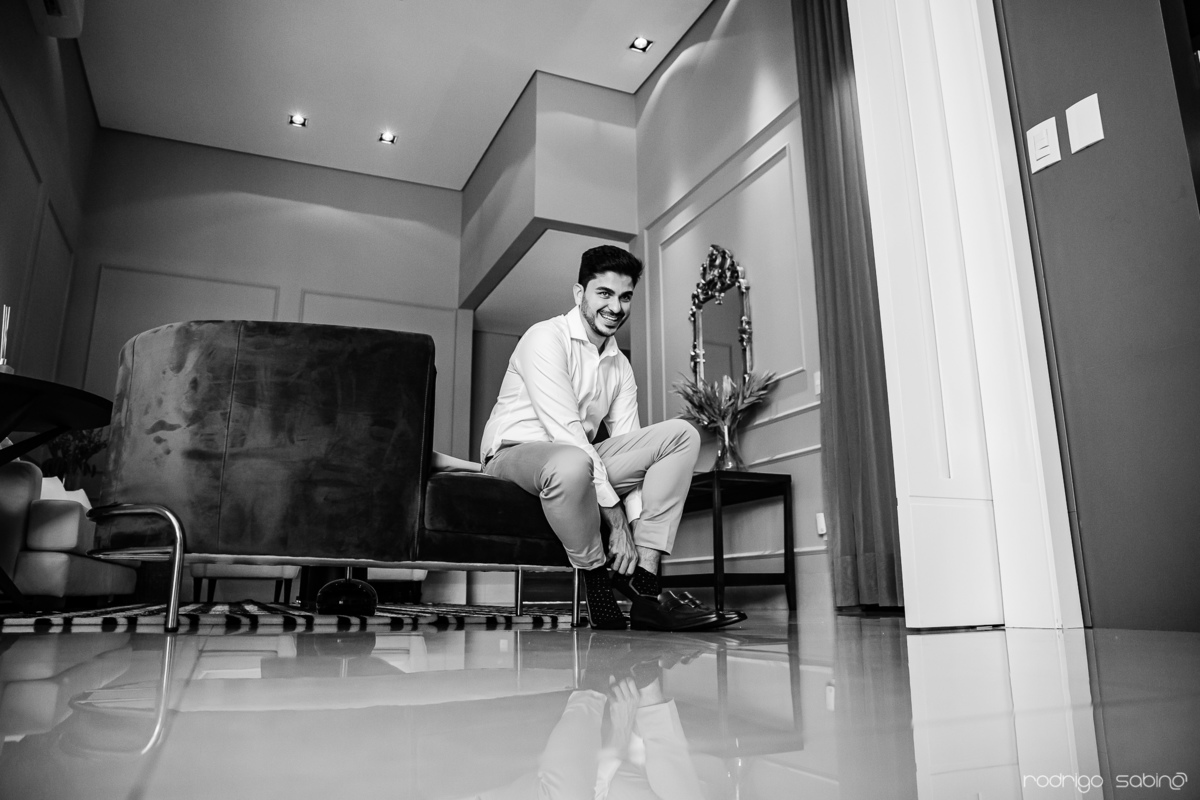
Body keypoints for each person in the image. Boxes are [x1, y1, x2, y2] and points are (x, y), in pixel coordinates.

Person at [480, 245, 744, 631]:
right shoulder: (544, 337)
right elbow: (567, 433)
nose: (616, 307)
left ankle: (646, 587)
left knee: (681, 435)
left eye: (625, 297)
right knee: (573, 460)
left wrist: (635, 531)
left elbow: (631, 446)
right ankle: (596, 581)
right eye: (604, 293)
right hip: (513, 455)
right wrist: (617, 523)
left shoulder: (620, 366)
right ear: (579, 293)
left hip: (580, 461)